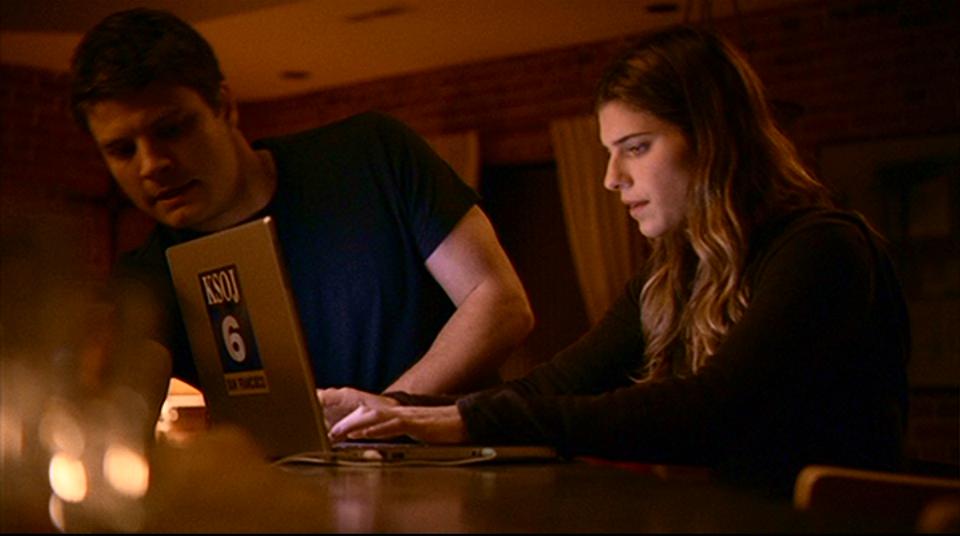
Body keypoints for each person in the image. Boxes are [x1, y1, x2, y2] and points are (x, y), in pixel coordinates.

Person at [318, 25, 911, 498]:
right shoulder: (672, 271)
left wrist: (468, 422)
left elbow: (713, 409)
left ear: (714, 139)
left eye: (636, 148)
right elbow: (554, 386)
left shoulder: (821, 249)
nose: (611, 178)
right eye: (609, 152)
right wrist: (391, 409)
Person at [68, 8, 534, 422]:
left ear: (224, 106)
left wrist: (385, 411)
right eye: (122, 150)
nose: (151, 165)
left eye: (172, 129)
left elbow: (500, 303)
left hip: (462, 470)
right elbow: (119, 415)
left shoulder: (370, 154)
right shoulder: (147, 279)